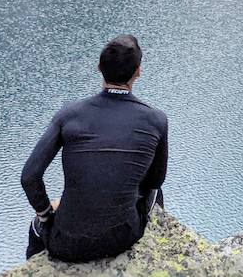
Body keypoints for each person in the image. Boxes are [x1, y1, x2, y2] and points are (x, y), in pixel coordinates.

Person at [20, 34, 169, 262]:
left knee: (35, 227)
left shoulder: (69, 115)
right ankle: (154, 256)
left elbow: (30, 177)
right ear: (138, 71)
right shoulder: (156, 120)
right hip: (123, 238)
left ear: (99, 68)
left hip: (66, 244)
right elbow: (155, 181)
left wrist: (47, 215)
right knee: (156, 192)